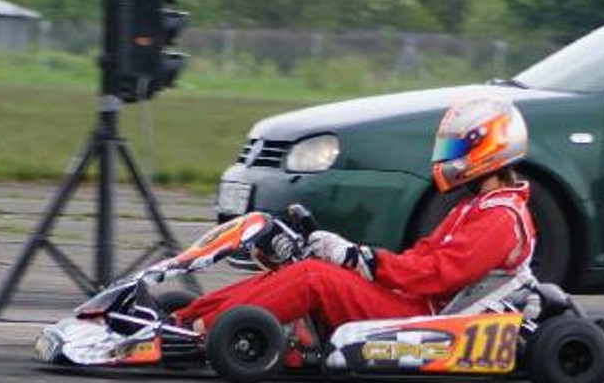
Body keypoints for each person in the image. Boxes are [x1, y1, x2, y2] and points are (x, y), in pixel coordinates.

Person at [175, 94, 537, 335]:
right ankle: (185, 317)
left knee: (313, 278)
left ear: (489, 147)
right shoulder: (477, 207)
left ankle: (205, 330)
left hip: (424, 317)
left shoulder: (500, 218)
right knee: (296, 269)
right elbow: (421, 259)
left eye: (457, 146)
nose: (447, 155)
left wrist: (361, 258)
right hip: (413, 300)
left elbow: (436, 275)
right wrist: (356, 258)